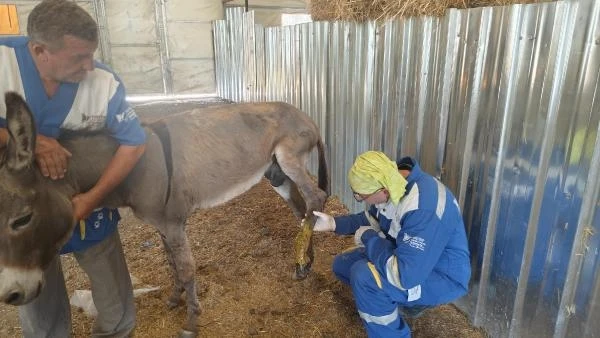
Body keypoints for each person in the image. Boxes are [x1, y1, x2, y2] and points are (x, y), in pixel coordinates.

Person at [0, 0, 146, 337]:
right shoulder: (3, 64)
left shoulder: (105, 83)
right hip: (25, 219)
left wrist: (91, 200)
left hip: (86, 211)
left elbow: (134, 143)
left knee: (117, 306)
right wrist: (28, 141)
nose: (90, 66)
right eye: (78, 57)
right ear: (40, 50)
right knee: (41, 315)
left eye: (91, 54)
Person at [312, 151, 471, 337]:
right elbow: (373, 219)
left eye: (362, 196)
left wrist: (369, 238)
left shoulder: (422, 207)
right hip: (406, 255)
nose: (361, 200)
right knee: (343, 265)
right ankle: (398, 300)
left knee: (365, 277)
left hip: (437, 274)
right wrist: (333, 223)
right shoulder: (393, 182)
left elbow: (404, 275)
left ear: (383, 190)